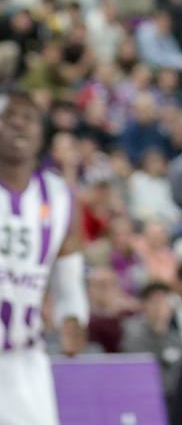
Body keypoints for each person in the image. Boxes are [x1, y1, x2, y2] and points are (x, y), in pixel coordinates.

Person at [0, 92, 85, 425]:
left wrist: (73, 317)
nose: (19, 123)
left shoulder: (60, 197)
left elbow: (69, 281)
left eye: (29, 117)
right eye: (8, 116)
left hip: (25, 358)